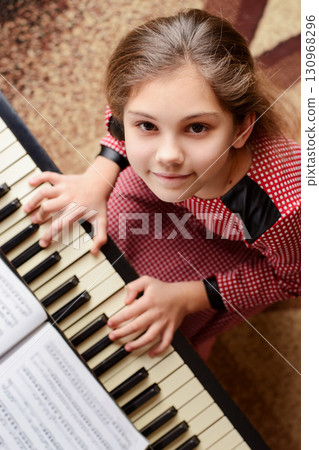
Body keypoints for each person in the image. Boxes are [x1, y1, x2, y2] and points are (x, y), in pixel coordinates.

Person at [23, 9, 301, 361]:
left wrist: (186, 298)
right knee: (88, 251)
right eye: (149, 127)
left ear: (242, 129)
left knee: (155, 335)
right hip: (165, 194)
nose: (168, 156)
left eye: (197, 128)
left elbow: (293, 278)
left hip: (238, 243)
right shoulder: (146, 105)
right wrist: (99, 176)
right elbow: (122, 114)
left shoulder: (285, 211)